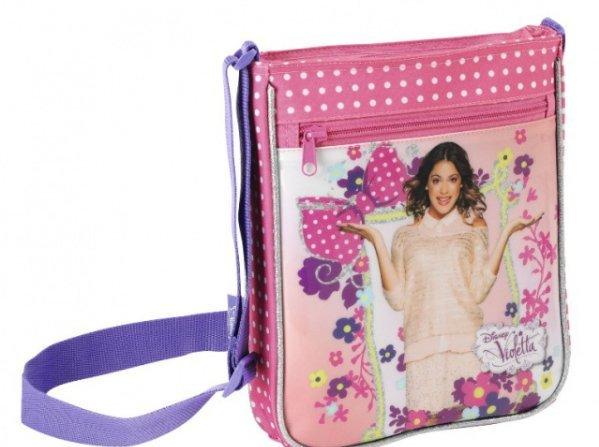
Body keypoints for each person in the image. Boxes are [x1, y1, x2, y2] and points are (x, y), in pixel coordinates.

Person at [337, 141, 542, 413]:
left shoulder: (473, 229)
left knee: (473, 424)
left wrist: (507, 233)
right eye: (436, 180)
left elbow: (478, 291)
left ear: (461, 184)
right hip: (422, 355)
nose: (444, 190)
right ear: (426, 184)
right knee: (424, 424)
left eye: (452, 180)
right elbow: (397, 300)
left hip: (467, 350)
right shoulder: (405, 236)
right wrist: (375, 239)